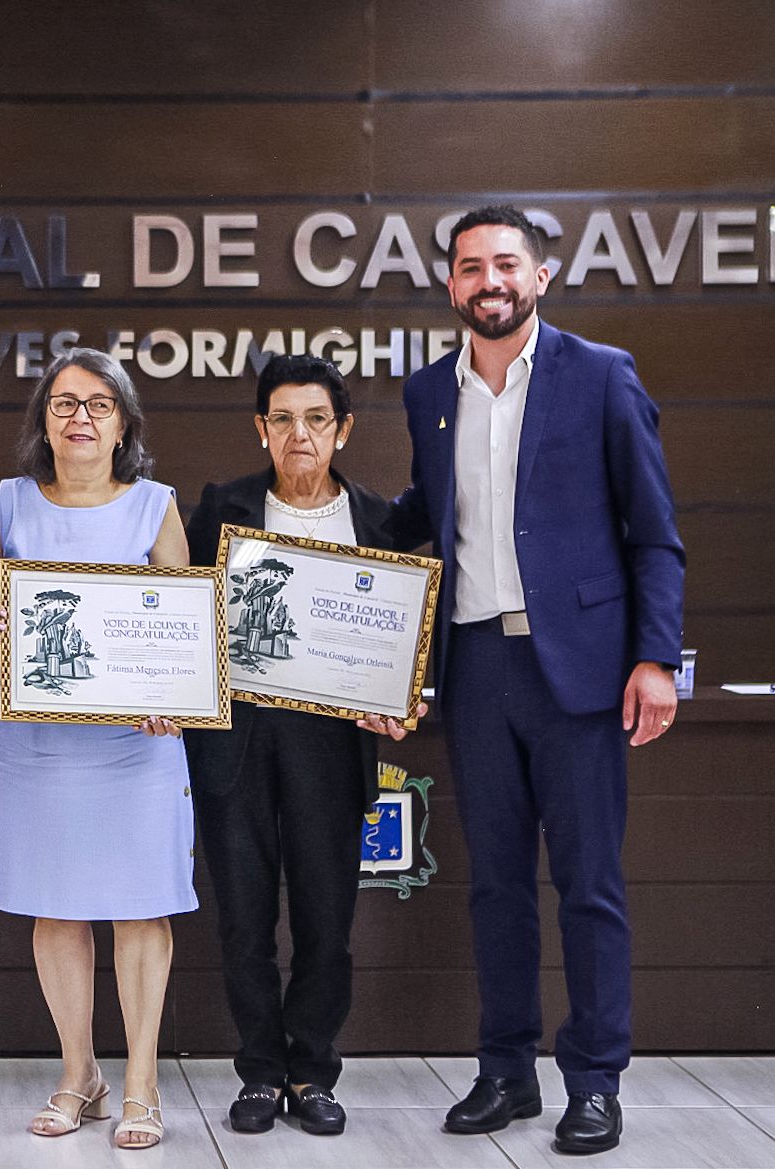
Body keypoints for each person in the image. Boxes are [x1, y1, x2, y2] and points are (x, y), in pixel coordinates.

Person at [393, 206, 684, 1155]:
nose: (489, 281)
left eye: (505, 264)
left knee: (589, 883)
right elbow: (420, 516)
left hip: (584, 672)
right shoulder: (428, 392)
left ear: (540, 276)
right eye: (471, 266)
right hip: (474, 666)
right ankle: (506, 1070)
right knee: (496, 888)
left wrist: (653, 656)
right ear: (449, 285)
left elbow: (653, 532)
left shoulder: (599, 375)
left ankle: (592, 1080)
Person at [184, 353, 423, 1138]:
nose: (298, 434)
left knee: (326, 918)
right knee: (244, 921)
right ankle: (259, 1070)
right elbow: (186, 622)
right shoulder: (221, 507)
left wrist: (401, 698)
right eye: (281, 418)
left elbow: (403, 637)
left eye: (315, 418)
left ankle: (311, 1068)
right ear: (261, 428)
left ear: (342, 429)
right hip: (235, 745)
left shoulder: (379, 520)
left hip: (332, 745)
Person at [0, 348, 190, 1151]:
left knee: (139, 906)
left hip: (134, 746)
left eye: (97, 404)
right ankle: (78, 1073)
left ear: (122, 421)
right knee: (54, 904)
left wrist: (174, 699)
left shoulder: (154, 505)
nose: (80, 417)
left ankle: (139, 1083)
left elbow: (187, 625)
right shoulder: (10, 503)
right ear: (42, 421)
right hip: (38, 742)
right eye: (62, 403)